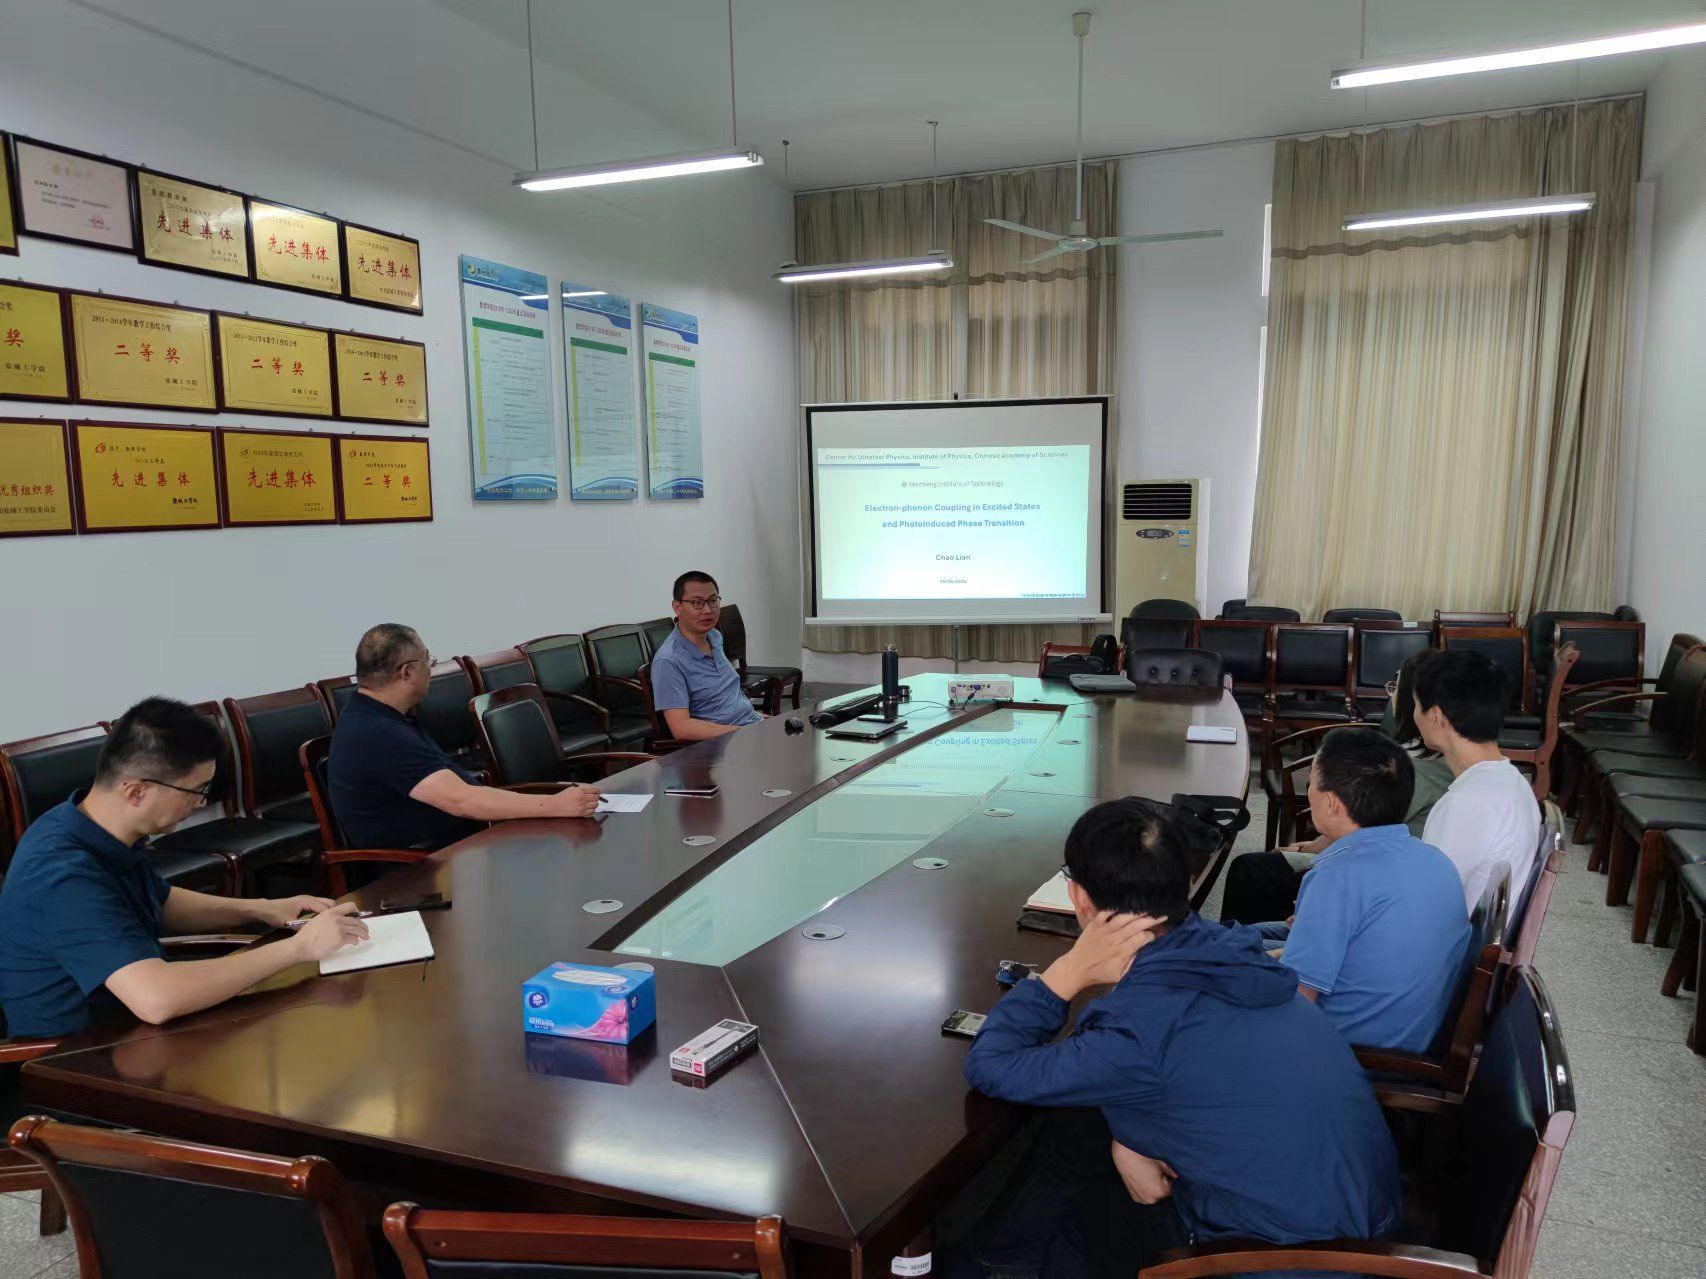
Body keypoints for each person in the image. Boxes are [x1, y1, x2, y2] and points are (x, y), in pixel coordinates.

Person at [954, 797, 1401, 1279]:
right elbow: (1181, 1065)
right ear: (1185, 882)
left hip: (1282, 1260)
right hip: (1359, 1224)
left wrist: (1067, 972)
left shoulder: (1140, 1033)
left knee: (1075, 1225)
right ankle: (995, 1252)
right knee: (1084, 1124)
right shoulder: (1228, 951)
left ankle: (989, 1264)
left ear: (1079, 899)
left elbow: (993, 1065)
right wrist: (1129, 1138)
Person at [0, 698, 370, 1038]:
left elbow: (160, 901)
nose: (200, 804)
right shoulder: (64, 874)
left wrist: (263, 908)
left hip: (130, 1029)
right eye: (197, 790)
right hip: (74, 1057)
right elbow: (157, 999)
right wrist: (298, 948)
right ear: (136, 791)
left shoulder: (89, 824)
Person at [1219, 651, 1452, 925]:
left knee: (1250, 871)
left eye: (1396, 688)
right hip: (1357, 857)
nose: (1391, 697)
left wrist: (1306, 849)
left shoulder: (1415, 771)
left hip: (1363, 870)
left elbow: (1357, 828)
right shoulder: (1412, 753)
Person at [1274, 729, 1470, 1052]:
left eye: (1310, 783)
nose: (1308, 792)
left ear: (1332, 803)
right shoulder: (1435, 859)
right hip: (1412, 1035)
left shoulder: (1337, 875)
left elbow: (1298, 1000)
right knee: (1247, 943)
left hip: (1351, 1052)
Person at [327, 624, 600, 850]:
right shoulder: (378, 734)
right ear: (407, 672)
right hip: (422, 868)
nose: (430, 669)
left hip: (458, 846)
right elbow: (461, 800)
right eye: (428, 661)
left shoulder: (379, 716)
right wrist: (552, 804)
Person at [1415, 650, 1541, 912]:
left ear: (1436, 716)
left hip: (1457, 934)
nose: (1414, 715)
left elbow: (1426, 904)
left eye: (1416, 705)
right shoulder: (1515, 781)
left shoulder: (1466, 804)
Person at [649, 572, 762, 742]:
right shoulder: (668, 661)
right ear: (677, 607)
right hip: (724, 745)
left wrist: (758, 721)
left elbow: (728, 695)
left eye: (713, 601)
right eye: (697, 603)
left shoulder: (714, 636)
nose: (708, 610)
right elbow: (682, 728)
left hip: (752, 727)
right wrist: (745, 732)